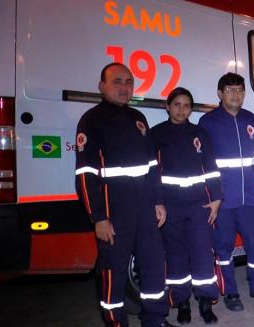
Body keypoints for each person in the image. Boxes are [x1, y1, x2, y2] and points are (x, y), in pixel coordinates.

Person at [75, 63, 171, 327]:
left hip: (145, 207)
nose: (124, 87)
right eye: (117, 81)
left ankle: (154, 319)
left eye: (129, 82)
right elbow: (85, 174)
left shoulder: (138, 118)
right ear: (102, 86)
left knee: (153, 265)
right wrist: (98, 218)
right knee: (114, 272)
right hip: (113, 210)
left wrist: (159, 201)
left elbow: (152, 165)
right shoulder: (91, 120)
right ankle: (116, 323)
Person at [198, 73, 254, 311]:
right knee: (223, 249)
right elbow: (204, 162)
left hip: (250, 197)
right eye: (230, 90)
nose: (236, 94)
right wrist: (212, 195)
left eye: (240, 90)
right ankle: (231, 293)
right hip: (222, 199)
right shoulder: (208, 123)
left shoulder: (249, 119)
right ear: (220, 93)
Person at [151, 87, 220, 324]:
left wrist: (217, 198)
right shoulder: (156, 134)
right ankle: (181, 302)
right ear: (167, 106)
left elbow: (211, 167)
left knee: (202, 253)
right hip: (171, 206)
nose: (182, 110)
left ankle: (205, 300)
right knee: (176, 255)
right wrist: (158, 202)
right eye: (177, 104)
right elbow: (153, 173)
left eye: (187, 105)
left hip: (199, 205)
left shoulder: (199, 133)